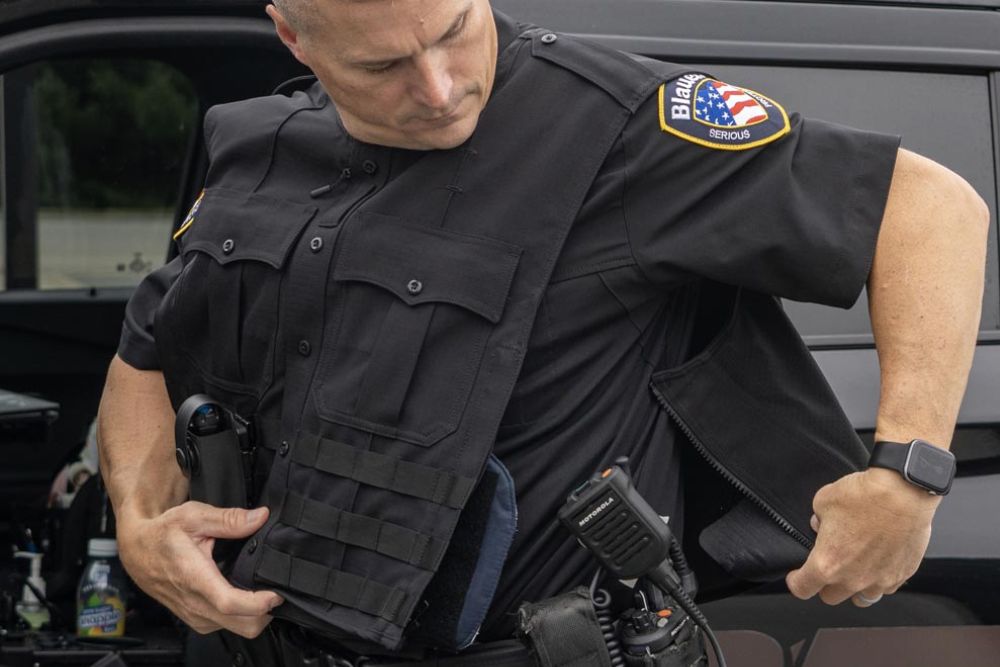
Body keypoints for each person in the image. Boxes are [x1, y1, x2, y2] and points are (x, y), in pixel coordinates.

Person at [96, 0, 989, 663]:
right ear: (295, 37)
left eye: (453, 32)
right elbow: (147, 354)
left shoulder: (618, 129)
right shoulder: (260, 146)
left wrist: (908, 472)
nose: (440, 89)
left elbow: (930, 209)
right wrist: (139, 524)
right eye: (383, 68)